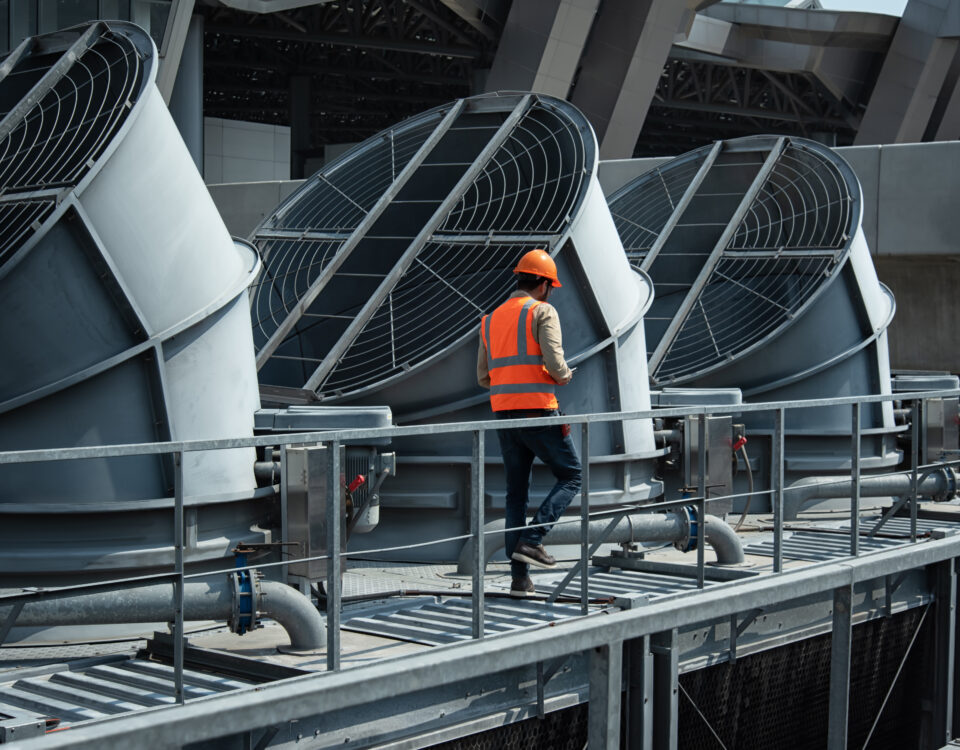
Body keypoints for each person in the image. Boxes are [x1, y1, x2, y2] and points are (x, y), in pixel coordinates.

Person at [477, 249, 582, 597]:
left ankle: (520, 579)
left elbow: (483, 377)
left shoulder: (489, 319)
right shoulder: (542, 310)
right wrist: (565, 376)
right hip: (538, 409)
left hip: (504, 414)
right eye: (551, 285)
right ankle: (533, 539)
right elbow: (555, 363)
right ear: (543, 284)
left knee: (516, 494)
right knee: (572, 475)